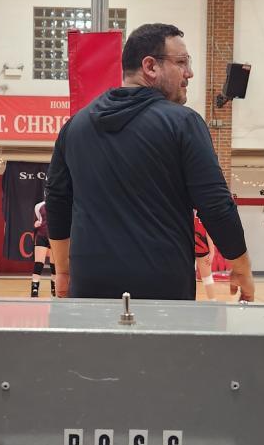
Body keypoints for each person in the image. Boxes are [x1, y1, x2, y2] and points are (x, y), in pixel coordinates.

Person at [45, 22, 253, 301]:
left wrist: (63, 271)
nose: (189, 73)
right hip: (162, 286)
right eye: (181, 62)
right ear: (150, 66)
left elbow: (57, 201)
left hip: (90, 282)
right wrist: (240, 266)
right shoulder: (183, 123)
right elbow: (215, 204)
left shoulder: (75, 126)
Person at [31, 198, 54, 298]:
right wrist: (36, 224)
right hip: (42, 236)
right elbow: (37, 221)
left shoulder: (60, 204)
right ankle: (34, 289)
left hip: (54, 237)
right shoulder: (39, 206)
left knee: (54, 266)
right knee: (39, 264)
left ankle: (54, 289)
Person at [193, 212, 217, 300]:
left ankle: (213, 303)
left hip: (199, 248)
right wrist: (212, 252)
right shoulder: (204, 210)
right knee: (207, 279)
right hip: (195, 247)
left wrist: (212, 252)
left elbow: (209, 232)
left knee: (207, 278)